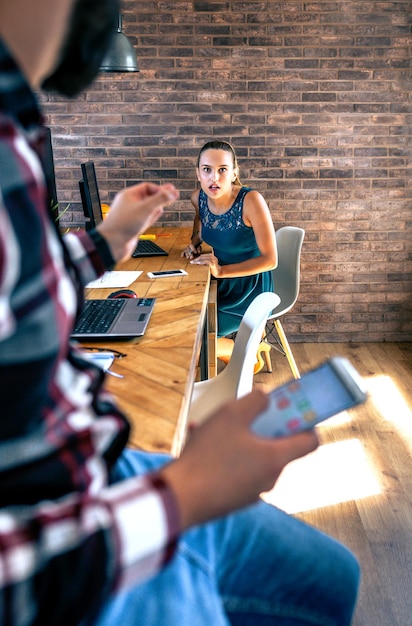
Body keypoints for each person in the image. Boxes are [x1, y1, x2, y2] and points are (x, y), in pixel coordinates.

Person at [0, 0, 360, 624]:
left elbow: (20, 285)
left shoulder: (16, 121)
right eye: (207, 170)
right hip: (73, 533)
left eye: (220, 170)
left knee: (336, 575)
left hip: (93, 452)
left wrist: (109, 240)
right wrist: (187, 491)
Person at [182, 140, 277, 363]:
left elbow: (271, 260)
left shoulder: (251, 201)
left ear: (234, 173)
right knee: (185, 324)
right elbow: (200, 221)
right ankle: (244, 346)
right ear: (198, 173)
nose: (214, 178)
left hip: (250, 289)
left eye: (222, 170)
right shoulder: (198, 198)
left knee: (193, 344)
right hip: (218, 284)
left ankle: (247, 351)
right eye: (207, 170)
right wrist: (194, 242)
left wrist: (222, 270)